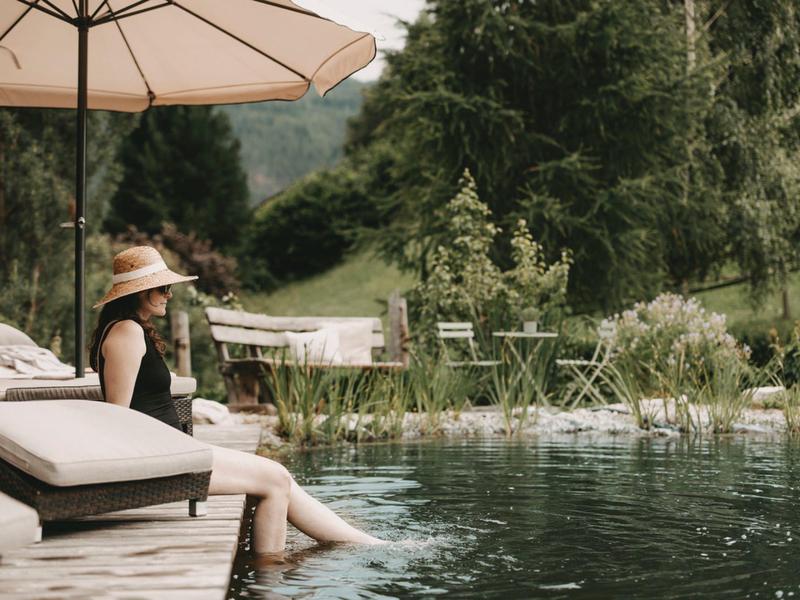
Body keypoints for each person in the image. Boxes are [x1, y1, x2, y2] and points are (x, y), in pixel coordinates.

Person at [89, 246, 383, 555]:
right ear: (141, 291)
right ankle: (270, 572)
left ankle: (363, 544)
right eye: (163, 287)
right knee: (274, 481)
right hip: (165, 459)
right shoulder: (127, 332)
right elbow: (117, 419)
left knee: (279, 477)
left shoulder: (133, 330)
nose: (169, 294)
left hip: (176, 449)